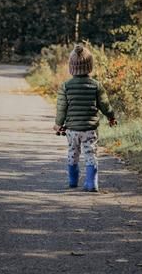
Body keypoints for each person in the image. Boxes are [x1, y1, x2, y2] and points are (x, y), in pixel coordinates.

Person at [54, 44, 117, 192]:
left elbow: (61, 109)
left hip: (73, 130)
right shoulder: (96, 85)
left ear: (71, 67)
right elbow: (105, 105)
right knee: (91, 154)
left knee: (73, 153)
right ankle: (91, 183)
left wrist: (58, 124)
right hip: (90, 130)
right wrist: (111, 117)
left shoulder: (66, 86)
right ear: (90, 66)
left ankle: (73, 181)